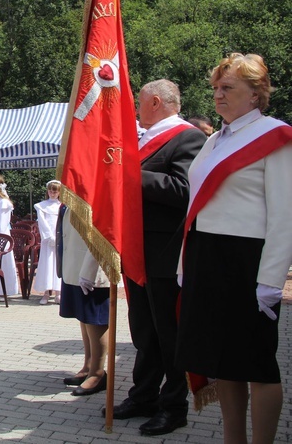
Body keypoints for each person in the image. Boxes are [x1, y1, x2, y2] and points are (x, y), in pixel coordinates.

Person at [176, 54, 292, 444]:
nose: (218, 95)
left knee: (258, 365)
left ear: (256, 94)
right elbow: (198, 205)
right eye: (216, 88)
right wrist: (184, 261)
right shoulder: (214, 139)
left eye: (228, 88)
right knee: (223, 361)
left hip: (248, 262)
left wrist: (271, 280)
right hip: (208, 256)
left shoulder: (275, 136)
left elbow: (284, 217)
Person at [110, 79, 206, 436]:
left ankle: (173, 405)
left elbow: (184, 190)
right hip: (139, 249)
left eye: (138, 101)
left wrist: (133, 175)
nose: (135, 106)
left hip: (166, 252)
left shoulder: (188, 137)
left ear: (154, 102)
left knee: (168, 332)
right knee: (144, 331)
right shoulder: (142, 138)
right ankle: (144, 395)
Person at [58, 205, 110, 396]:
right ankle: (88, 365)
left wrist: (92, 268)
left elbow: (103, 230)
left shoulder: (96, 187)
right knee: (84, 318)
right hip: (75, 264)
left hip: (92, 265)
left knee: (95, 318)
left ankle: (97, 372)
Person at [33, 180, 62, 304]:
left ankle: (58, 293)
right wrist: (49, 237)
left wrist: (59, 236)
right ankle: (45, 293)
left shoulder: (62, 206)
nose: (52, 193)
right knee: (47, 263)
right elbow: (42, 223)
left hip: (60, 239)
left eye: (55, 191)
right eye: (50, 190)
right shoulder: (41, 206)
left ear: (59, 192)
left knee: (58, 264)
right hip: (47, 240)